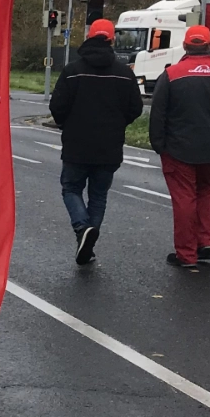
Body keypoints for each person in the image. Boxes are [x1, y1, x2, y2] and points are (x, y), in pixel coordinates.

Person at [49, 19, 144, 265]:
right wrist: (117, 124)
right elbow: (135, 108)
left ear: (88, 37)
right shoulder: (125, 73)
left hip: (76, 143)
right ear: (112, 40)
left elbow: (57, 106)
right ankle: (88, 247)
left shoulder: (73, 70)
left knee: (71, 188)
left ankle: (82, 229)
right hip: (109, 146)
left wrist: (66, 124)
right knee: (99, 195)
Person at [148, 25, 210, 268]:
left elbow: (158, 113)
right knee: (205, 192)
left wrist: (159, 144)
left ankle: (186, 253)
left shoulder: (172, 74)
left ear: (184, 46)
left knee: (184, 199)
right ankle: (206, 241)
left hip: (178, 148)